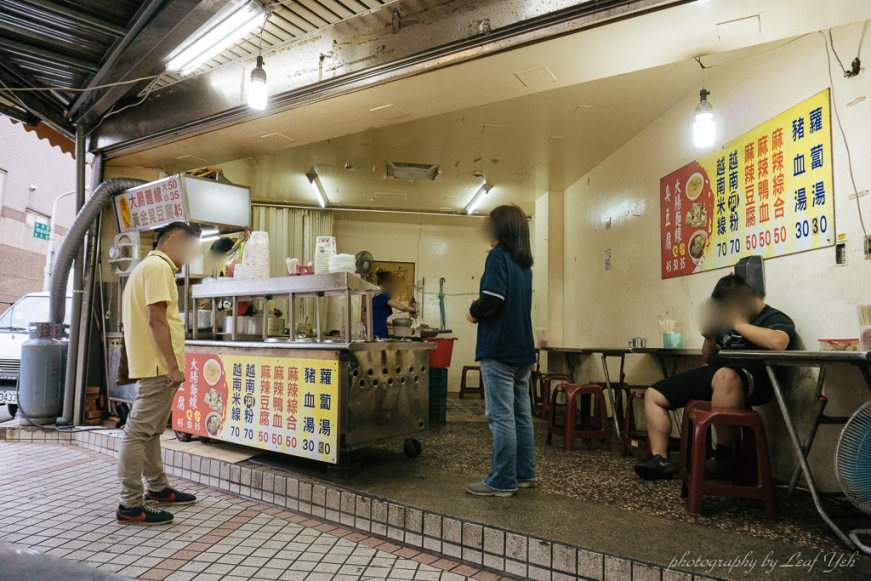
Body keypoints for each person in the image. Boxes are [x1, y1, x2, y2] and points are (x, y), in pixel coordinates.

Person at [634, 274, 795, 481]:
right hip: (717, 374)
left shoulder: (773, 318)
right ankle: (659, 458)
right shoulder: (727, 323)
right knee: (654, 394)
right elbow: (709, 358)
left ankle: (725, 451)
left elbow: (779, 343)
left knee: (725, 376)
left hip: (753, 378)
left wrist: (737, 323)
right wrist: (709, 338)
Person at [116, 222, 201, 524]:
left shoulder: (144, 268)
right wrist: (173, 366)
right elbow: (157, 321)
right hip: (158, 365)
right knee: (138, 431)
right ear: (172, 239)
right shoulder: (159, 268)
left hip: (152, 363)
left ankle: (159, 489)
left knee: (150, 431)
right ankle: (130, 505)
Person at [465, 204, 536, 497]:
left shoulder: (497, 256)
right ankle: (524, 474)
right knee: (521, 414)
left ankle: (502, 481)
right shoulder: (524, 265)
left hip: (499, 348)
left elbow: (493, 299)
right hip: (522, 348)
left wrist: (473, 310)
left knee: (501, 416)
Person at [363, 270, 416, 339]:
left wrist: (393, 323)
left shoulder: (375, 297)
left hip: (371, 330)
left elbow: (377, 318)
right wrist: (412, 310)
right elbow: (402, 307)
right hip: (378, 331)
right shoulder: (384, 297)